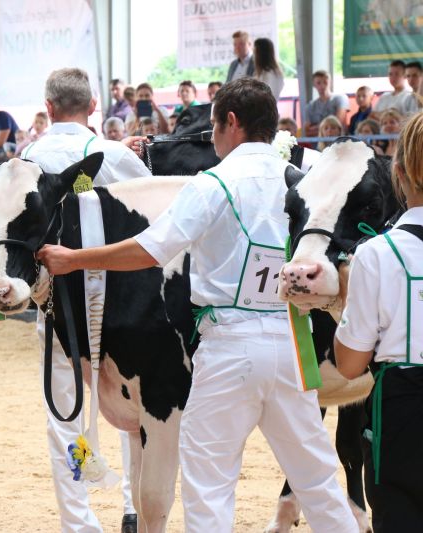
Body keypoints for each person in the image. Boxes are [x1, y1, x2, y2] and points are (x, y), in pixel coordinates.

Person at [37, 77, 359, 532]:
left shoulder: (212, 183)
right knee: (319, 480)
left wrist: (74, 259)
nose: (210, 137)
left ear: (232, 121)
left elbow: (151, 249)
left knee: (209, 486)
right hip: (290, 343)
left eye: (213, 125)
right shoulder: (300, 182)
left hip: (228, 347)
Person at [22, 67, 151, 533]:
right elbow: (157, 208)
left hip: (61, 309)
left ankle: (80, 523)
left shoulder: (28, 158)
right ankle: (133, 508)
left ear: (49, 107)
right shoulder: (114, 154)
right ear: (94, 107)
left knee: (67, 418)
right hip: (125, 305)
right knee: (133, 411)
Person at [334, 111, 423, 532]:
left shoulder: (375, 254)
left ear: (399, 173)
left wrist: (344, 299)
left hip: (403, 412)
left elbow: (350, 365)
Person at [304, 70, 349, 137]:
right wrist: (329, 128)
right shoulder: (310, 106)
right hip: (317, 145)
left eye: (325, 82)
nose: (322, 86)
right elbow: (307, 132)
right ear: (314, 84)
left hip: (337, 143)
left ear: (330, 82)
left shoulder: (341, 98)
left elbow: (338, 124)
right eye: (318, 83)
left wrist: (315, 128)